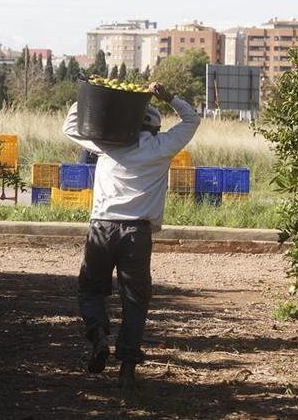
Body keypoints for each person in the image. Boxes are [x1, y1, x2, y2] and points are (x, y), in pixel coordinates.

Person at [62, 82, 200, 388]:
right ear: (154, 127)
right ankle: (127, 367)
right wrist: (170, 96)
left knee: (90, 290)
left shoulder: (107, 143)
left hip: (101, 227)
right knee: (135, 300)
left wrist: (90, 98)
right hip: (137, 233)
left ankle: (98, 336)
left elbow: (70, 125)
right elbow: (192, 120)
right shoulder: (163, 147)